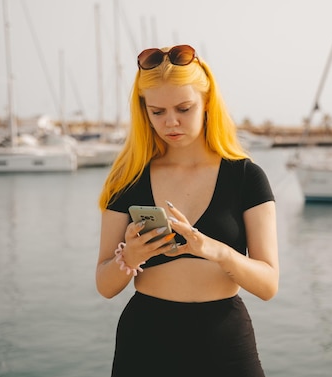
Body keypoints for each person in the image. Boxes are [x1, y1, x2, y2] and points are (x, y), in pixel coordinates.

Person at [96, 44, 279, 377]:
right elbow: (105, 286)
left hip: (226, 342)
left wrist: (214, 250)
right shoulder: (128, 178)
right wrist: (131, 257)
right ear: (144, 111)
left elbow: (268, 285)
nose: (171, 122)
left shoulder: (246, 177)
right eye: (157, 112)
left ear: (207, 102)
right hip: (145, 340)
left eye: (184, 108)